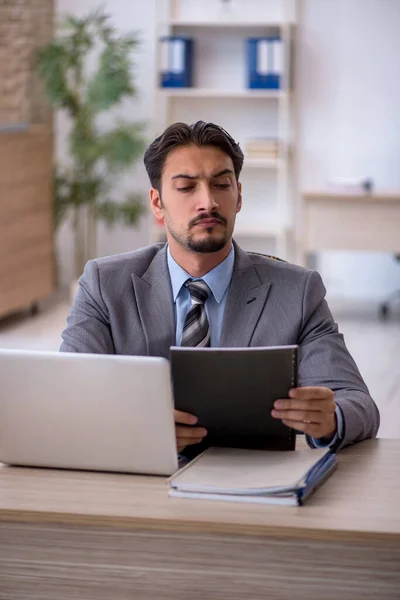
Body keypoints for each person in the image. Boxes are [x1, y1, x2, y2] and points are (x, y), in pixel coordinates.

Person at [60, 121, 380, 454]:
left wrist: (330, 419)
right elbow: (67, 396)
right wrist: (136, 430)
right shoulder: (104, 284)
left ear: (238, 196)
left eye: (221, 184)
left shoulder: (298, 292)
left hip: (252, 480)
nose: (208, 202)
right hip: (138, 482)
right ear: (157, 203)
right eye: (186, 187)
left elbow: (359, 405)